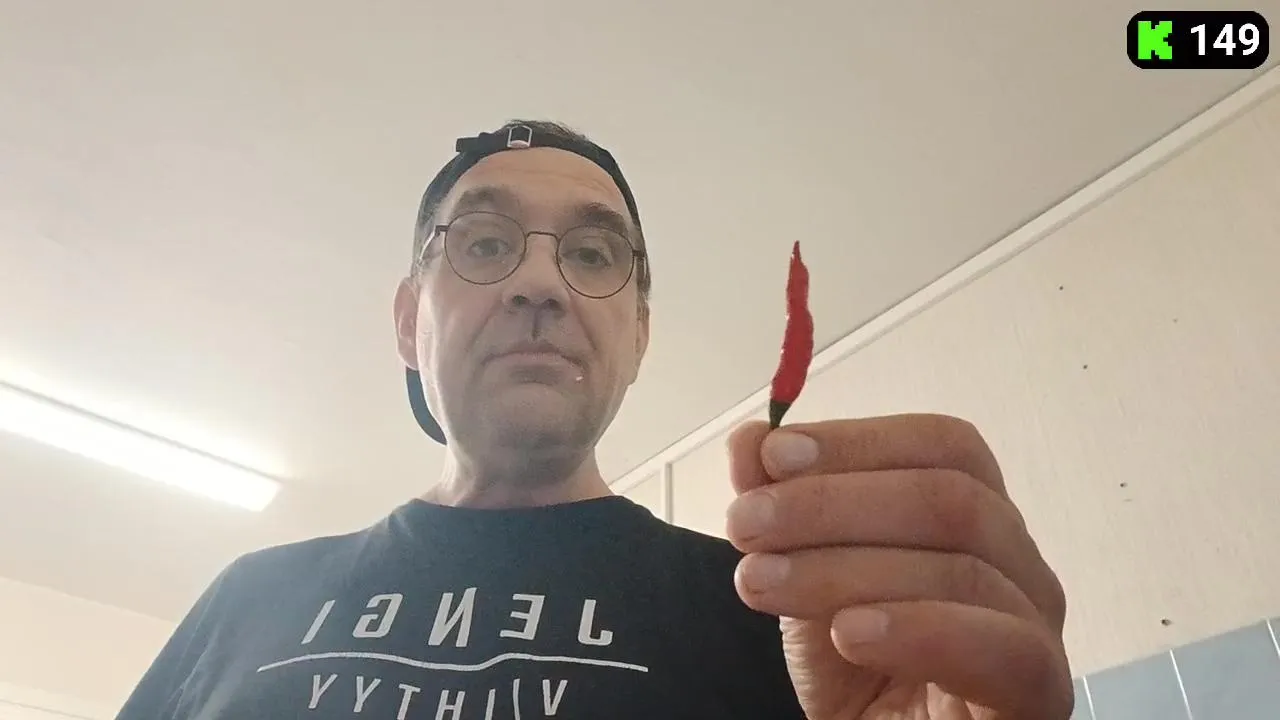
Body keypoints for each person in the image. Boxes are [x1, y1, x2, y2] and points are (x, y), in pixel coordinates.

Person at [115, 120, 1072, 720]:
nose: (540, 282)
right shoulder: (250, 598)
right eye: (485, 242)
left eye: (592, 253)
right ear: (409, 320)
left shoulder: (782, 622)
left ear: (638, 334)